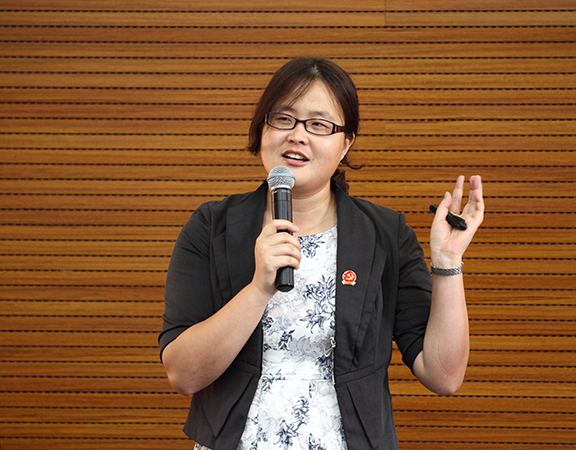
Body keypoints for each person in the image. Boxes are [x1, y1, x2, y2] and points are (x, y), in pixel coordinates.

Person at [159, 56, 484, 450]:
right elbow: (183, 375)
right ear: (262, 128)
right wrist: (258, 290)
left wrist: (447, 263)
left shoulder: (385, 235)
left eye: (318, 124)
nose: (298, 135)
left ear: (346, 143)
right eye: (283, 119)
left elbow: (443, 376)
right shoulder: (213, 227)